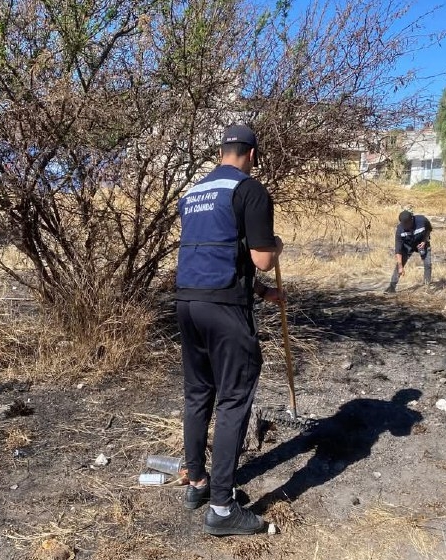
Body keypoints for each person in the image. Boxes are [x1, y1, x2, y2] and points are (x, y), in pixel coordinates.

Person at [176, 124, 283, 536]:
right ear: (252, 154)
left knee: (198, 393)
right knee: (235, 400)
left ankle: (198, 482)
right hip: (223, 310)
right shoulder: (250, 190)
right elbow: (260, 257)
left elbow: (215, 252)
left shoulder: (193, 193)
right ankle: (222, 509)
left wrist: (261, 292)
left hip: (188, 304)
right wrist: (276, 248)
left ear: (222, 151)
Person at [384, 210, 432, 293]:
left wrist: (424, 241)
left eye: (406, 223)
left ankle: (426, 287)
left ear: (412, 219)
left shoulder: (422, 220)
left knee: (428, 264)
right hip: (407, 246)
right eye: (403, 223)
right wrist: (400, 266)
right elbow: (398, 249)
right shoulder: (400, 230)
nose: (405, 225)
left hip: (421, 243)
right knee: (399, 265)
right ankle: (391, 287)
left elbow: (429, 229)